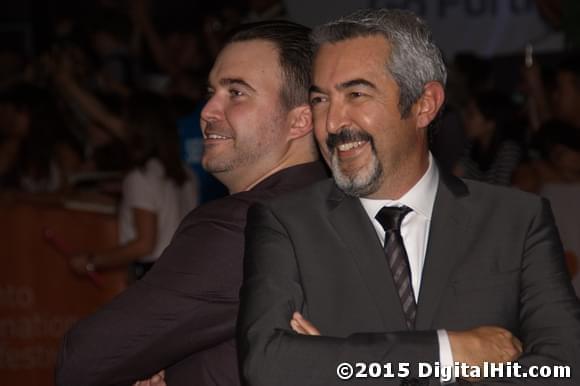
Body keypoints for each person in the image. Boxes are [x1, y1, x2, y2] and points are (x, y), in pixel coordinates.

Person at [239, 9, 580, 386]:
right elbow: (268, 364)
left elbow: (564, 367)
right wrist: (446, 352)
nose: (332, 123)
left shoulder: (516, 219)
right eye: (320, 100)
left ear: (424, 104)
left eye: (356, 94)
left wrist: (344, 365)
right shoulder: (287, 223)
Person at [56, 20, 325, 386]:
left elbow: (83, 360)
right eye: (211, 91)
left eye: (237, 93)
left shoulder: (242, 224)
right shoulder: (348, 207)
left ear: (300, 120)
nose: (208, 110)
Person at [68, 92, 198, 281]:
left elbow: (144, 245)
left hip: (154, 275)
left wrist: (91, 261)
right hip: (184, 269)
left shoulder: (141, 176)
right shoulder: (185, 173)